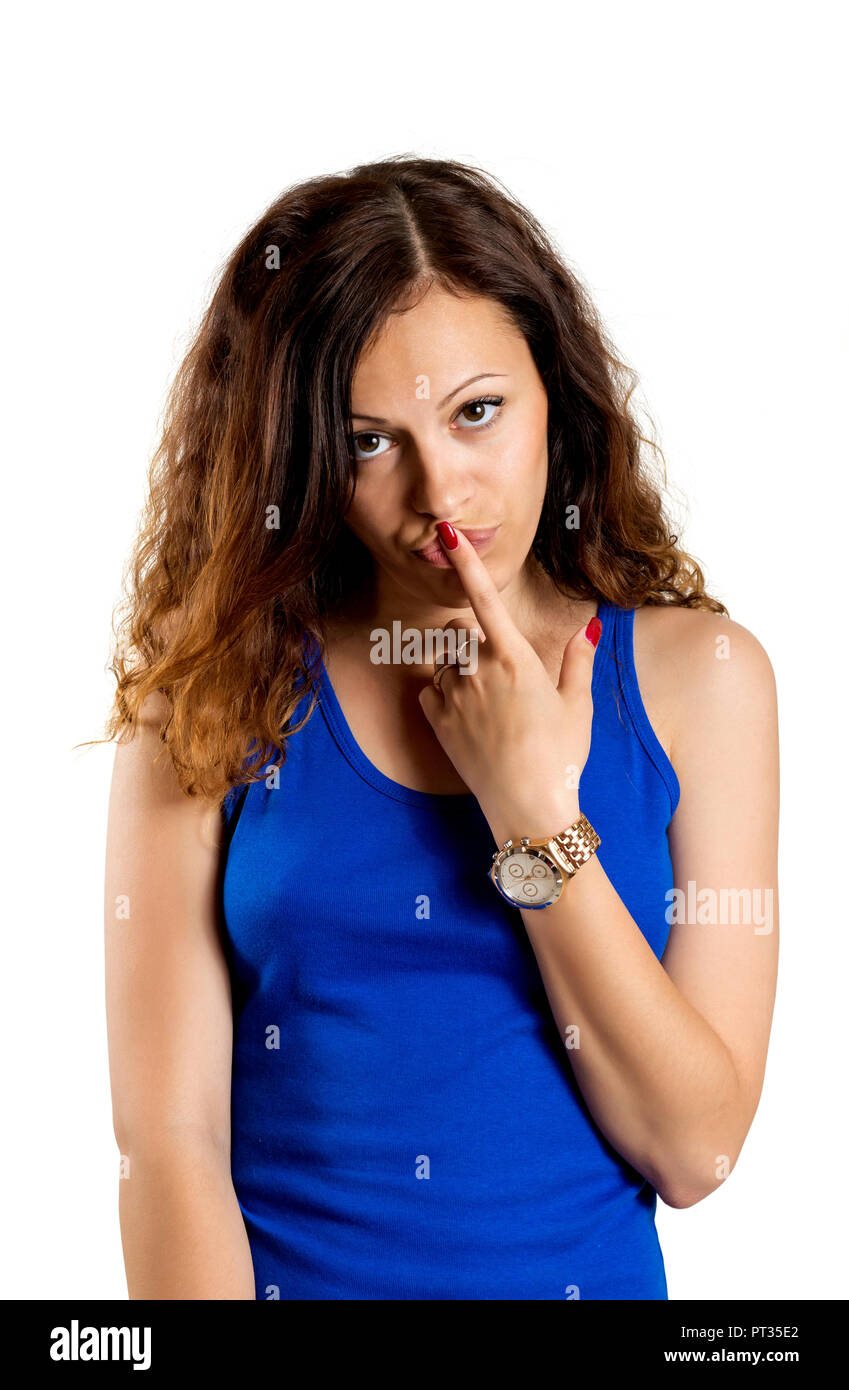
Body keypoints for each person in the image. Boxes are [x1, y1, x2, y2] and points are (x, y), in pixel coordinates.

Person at [102, 155, 779, 1300]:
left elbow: (694, 1148)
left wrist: (532, 813)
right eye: (372, 440)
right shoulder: (210, 694)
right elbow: (168, 1149)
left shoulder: (701, 681)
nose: (443, 491)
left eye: (479, 412)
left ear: (553, 389)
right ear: (305, 454)